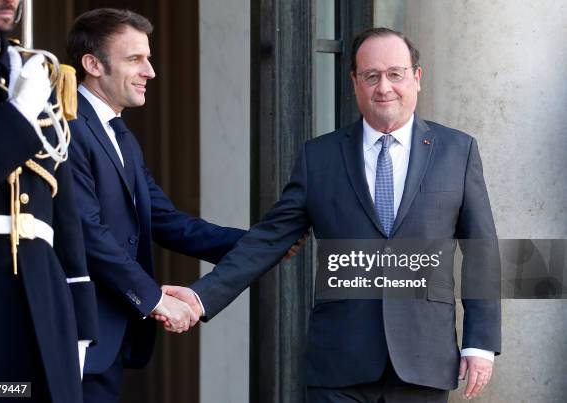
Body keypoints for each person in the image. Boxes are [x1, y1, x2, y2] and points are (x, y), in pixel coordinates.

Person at [165, 27, 501, 402]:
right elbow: (268, 240)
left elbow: (482, 250)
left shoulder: (457, 150)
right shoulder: (319, 158)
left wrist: (480, 343)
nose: (384, 87)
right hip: (340, 363)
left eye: (395, 74)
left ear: (417, 78)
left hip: (424, 360)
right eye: (371, 76)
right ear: (354, 83)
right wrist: (200, 297)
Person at [65, 9, 309, 403]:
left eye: (148, 58)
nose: (151, 71)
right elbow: (87, 233)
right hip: (75, 334)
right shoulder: (70, 126)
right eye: (135, 59)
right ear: (92, 64)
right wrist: (156, 300)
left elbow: (165, 221)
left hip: (107, 338)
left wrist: (255, 244)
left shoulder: (120, 135)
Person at [0, 0, 98, 402]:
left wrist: (80, 324)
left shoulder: (31, 72)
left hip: (44, 310)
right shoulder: (26, 91)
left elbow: (61, 212)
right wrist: (17, 119)